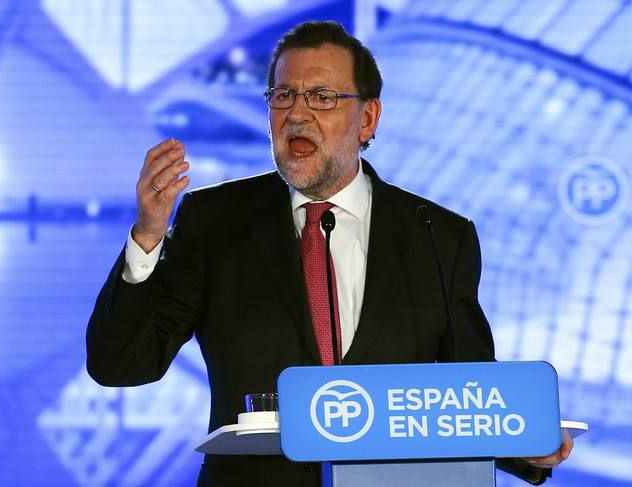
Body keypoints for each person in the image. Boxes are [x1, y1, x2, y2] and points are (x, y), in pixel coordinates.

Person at [87, 21, 572, 487]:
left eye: (321, 97)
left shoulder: (438, 235)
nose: (297, 114)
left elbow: (468, 399)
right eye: (283, 96)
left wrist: (526, 447)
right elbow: (122, 364)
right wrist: (149, 235)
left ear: (368, 119)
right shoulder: (216, 222)